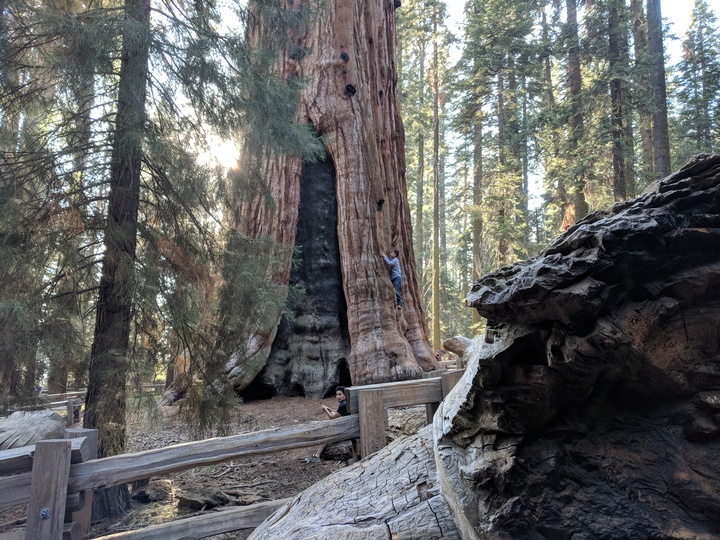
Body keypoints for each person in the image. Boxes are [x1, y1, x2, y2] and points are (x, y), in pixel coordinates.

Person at [305, 386, 349, 462]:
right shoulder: (346, 402)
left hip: (347, 429)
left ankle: (317, 456)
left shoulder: (343, 405)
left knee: (327, 434)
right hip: (348, 425)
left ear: (345, 395)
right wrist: (328, 408)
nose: (337, 396)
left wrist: (325, 410)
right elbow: (338, 412)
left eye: (340, 394)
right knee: (331, 417)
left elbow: (332, 417)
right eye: (336, 395)